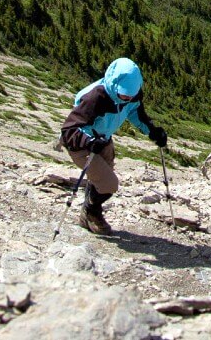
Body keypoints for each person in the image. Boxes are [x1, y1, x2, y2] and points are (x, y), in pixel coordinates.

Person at [56, 57, 168, 236]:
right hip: (82, 145)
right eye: (124, 94)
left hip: (103, 140)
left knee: (100, 181)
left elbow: (135, 112)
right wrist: (89, 142)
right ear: (114, 84)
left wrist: (153, 132)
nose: (128, 98)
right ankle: (91, 212)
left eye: (131, 95)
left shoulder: (132, 94)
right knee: (109, 184)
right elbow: (70, 129)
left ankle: (88, 214)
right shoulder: (95, 97)